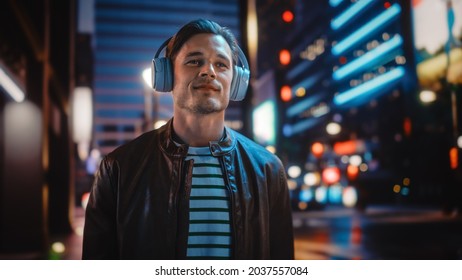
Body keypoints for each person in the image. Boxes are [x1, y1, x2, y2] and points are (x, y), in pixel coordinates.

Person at [82, 19, 294, 260]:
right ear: (167, 75)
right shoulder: (118, 169)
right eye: (195, 61)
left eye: (221, 64)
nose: (208, 71)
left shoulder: (267, 170)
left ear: (236, 82)